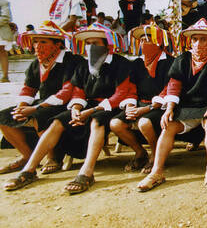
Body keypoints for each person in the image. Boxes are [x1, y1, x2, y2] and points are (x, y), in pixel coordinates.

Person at [4, 23, 133, 194]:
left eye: (96, 43)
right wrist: (76, 108)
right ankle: (29, 170)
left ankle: (87, 172)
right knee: (58, 121)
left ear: (106, 44)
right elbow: (78, 91)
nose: (91, 47)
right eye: (88, 43)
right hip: (87, 106)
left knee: (96, 122)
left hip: (110, 106)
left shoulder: (120, 63)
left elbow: (121, 94)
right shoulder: (83, 66)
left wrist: (90, 111)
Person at [137, 19, 207, 191]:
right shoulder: (183, 59)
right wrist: (170, 107)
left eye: (203, 39)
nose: (198, 43)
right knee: (168, 126)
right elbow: (174, 84)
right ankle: (156, 172)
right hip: (186, 107)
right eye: (195, 39)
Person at [0, 22, 80, 175]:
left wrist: (35, 108)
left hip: (66, 104)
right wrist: (21, 106)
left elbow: (67, 92)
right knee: (4, 118)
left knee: (39, 116)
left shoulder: (72, 61)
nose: (37, 45)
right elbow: (29, 88)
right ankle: (28, 156)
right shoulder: (36, 64)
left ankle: (54, 157)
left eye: (43, 42)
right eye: (35, 41)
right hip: (43, 103)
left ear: (57, 45)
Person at [109, 24, 175, 174]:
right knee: (115, 124)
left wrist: (146, 109)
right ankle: (140, 152)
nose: (144, 44)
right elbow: (131, 87)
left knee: (144, 123)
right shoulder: (138, 63)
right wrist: (130, 106)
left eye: (149, 40)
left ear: (159, 43)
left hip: (160, 106)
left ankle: (155, 154)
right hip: (139, 103)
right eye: (142, 40)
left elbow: (169, 89)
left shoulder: (170, 62)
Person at [0, 0, 13, 82]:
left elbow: (6, 17)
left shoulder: (3, 2)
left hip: (1, 31)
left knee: (1, 51)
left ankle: (5, 76)